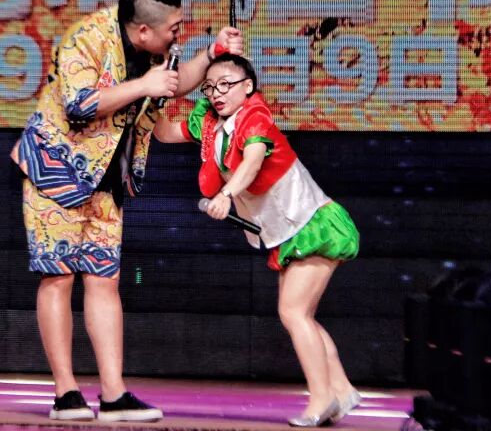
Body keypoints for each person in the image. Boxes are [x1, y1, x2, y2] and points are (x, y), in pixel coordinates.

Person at [11, 0, 243, 422]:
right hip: (57, 171)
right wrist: (143, 85)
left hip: (106, 180)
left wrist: (211, 54)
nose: (178, 34)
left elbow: (172, 85)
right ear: (143, 31)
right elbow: (80, 105)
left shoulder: (156, 53)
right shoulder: (87, 37)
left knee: (104, 281)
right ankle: (65, 394)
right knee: (59, 277)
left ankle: (113, 394)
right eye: (173, 28)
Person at [154, 53, 362, 428]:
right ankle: (342, 390)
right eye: (210, 87)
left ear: (247, 86)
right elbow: (166, 133)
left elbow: (251, 162)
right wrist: (153, 99)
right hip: (287, 232)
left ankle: (322, 400)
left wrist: (226, 195)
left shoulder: (255, 116)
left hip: (313, 224)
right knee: (301, 316)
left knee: (293, 313)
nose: (216, 93)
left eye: (226, 84)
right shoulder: (211, 125)